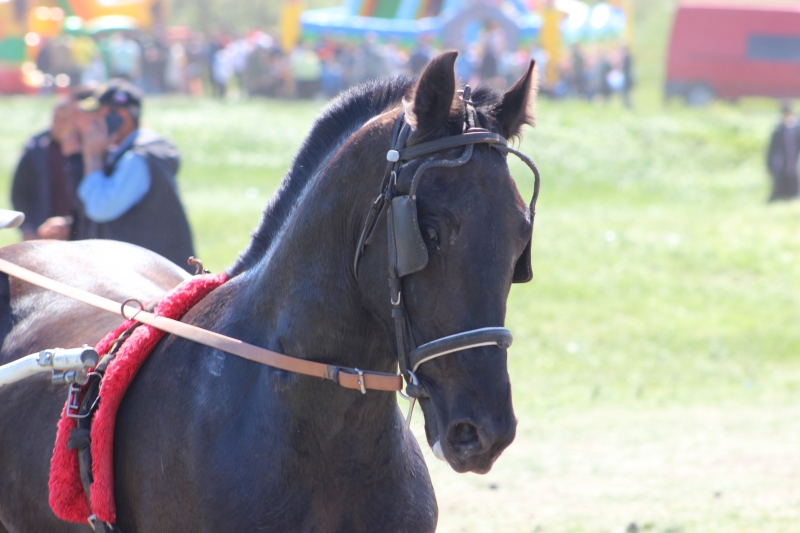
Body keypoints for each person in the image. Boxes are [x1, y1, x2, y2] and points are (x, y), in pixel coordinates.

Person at [63, 79, 195, 269]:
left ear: (121, 116)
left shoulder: (137, 159)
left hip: (156, 279)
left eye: (99, 116)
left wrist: (92, 158)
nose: (92, 124)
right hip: (150, 274)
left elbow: (100, 208)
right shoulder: (128, 152)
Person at [11, 98, 76, 240]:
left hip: (76, 234)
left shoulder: (85, 150)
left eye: (64, 119)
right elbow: (20, 193)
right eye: (56, 119)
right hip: (41, 233)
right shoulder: (36, 150)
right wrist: (27, 228)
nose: (58, 124)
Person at [767, 100, 800, 201]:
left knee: (793, 189)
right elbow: (771, 150)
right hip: (781, 165)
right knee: (780, 189)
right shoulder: (778, 131)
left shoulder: (796, 130)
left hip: (794, 164)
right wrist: (769, 165)